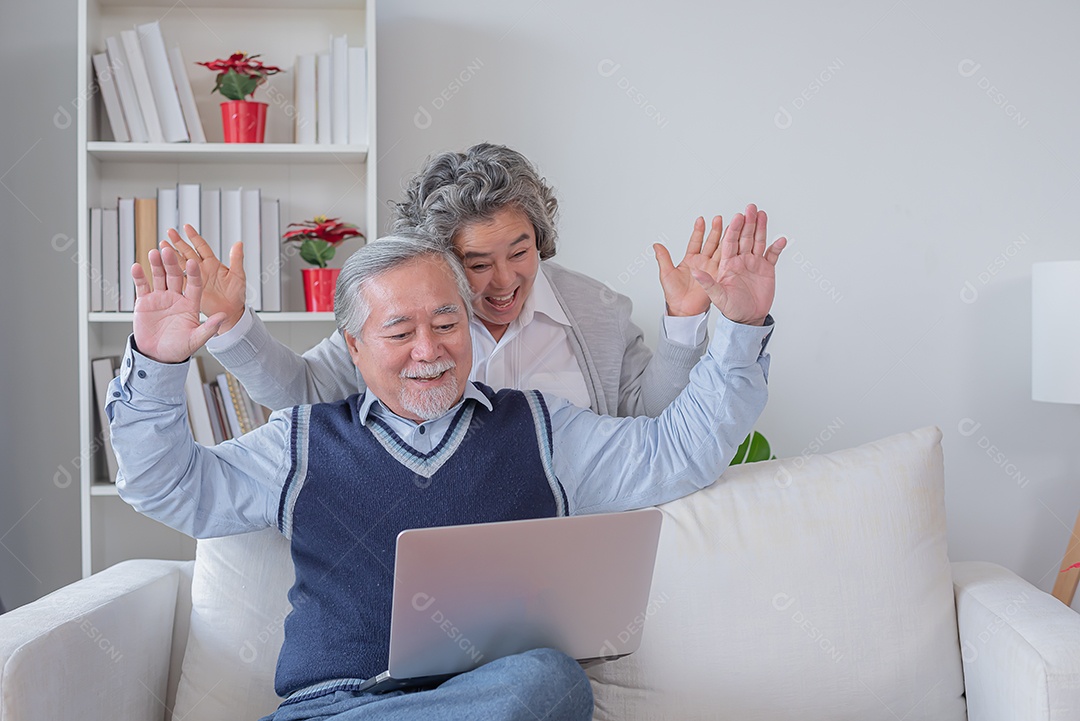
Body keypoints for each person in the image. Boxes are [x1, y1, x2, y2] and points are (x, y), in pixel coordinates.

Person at [109, 223, 784, 720]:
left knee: (547, 681)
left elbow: (676, 452)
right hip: (334, 708)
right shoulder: (301, 441)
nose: (428, 350)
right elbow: (168, 486)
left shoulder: (543, 430)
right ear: (354, 344)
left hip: (496, 702)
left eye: (447, 322)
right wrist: (157, 364)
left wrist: (742, 326)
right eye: (400, 332)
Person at [165, 143, 778, 417]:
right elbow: (302, 392)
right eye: (478, 264)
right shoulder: (402, 315)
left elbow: (647, 421)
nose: (505, 281)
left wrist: (685, 324)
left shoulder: (597, 311)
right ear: (440, 263)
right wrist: (231, 327)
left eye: (522, 251)